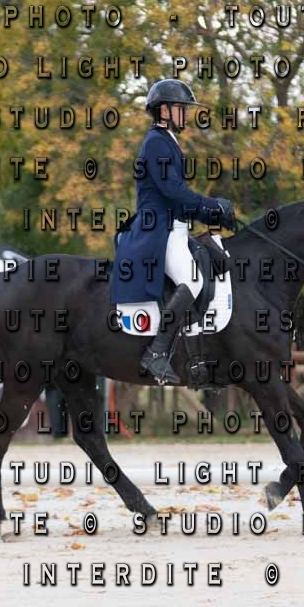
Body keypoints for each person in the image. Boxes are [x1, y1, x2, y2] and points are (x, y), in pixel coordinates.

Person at [111, 78, 237, 384]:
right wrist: (213, 207)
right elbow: (175, 192)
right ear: (164, 110)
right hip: (160, 230)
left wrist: (216, 212)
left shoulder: (167, 140)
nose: (187, 114)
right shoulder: (157, 142)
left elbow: (179, 199)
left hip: (175, 228)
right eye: (182, 108)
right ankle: (156, 352)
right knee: (192, 280)